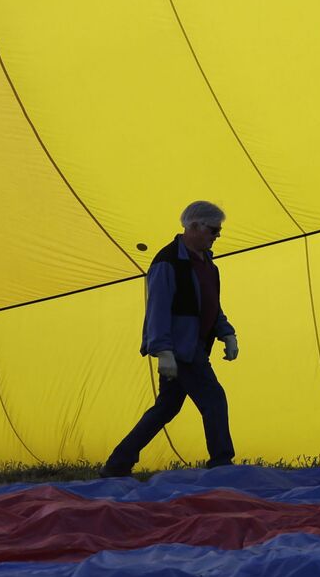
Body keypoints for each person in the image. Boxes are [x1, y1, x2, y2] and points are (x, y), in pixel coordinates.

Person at [101, 201, 239, 477]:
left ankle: (117, 465)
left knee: (166, 407)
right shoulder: (168, 263)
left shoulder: (207, 263)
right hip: (181, 349)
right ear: (193, 226)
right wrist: (163, 351)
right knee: (214, 399)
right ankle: (222, 464)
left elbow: (210, 305)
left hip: (195, 345)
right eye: (213, 230)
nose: (217, 236)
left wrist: (226, 332)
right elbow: (158, 309)